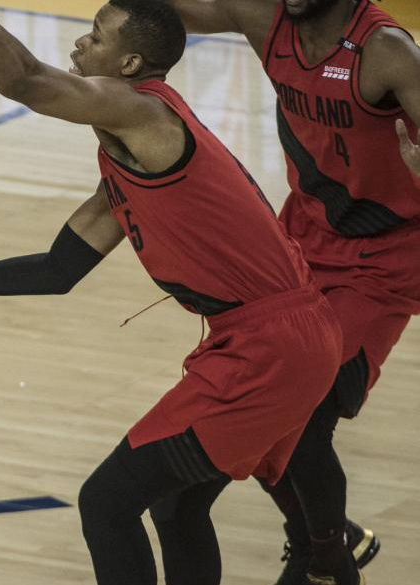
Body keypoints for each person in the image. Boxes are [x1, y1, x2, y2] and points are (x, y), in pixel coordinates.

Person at [0, 1, 342, 584]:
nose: (79, 45)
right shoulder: (131, 153)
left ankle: (333, 562)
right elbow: (57, 270)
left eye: (95, 37)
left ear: (130, 63)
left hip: (272, 347)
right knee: (177, 505)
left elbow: (24, 80)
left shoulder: (142, 110)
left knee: (107, 503)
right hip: (287, 335)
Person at [155, 1, 420, 582]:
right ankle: (324, 539)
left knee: (306, 409)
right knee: (261, 399)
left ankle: (325, 562)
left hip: (384, 259)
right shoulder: (264, 19)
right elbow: (166, 12)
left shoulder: (388, 53)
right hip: (302, 236)